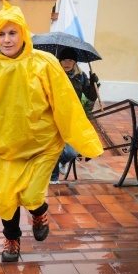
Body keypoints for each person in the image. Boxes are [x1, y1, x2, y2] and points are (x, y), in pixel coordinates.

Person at [0, 1, 103, 262]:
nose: (7, 39)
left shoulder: (45, 63)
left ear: (23, 33)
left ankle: (39, 213)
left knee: (32, 195)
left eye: (12, 32)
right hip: (3, 149)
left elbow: (66, 104)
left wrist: (85, 142)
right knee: (5, 198)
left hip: (42, 146)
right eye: (1, 33)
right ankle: (12, 239)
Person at [49, 48, 100, 184]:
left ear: (75, 62)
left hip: (72, 117)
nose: (67, 62)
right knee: (54, 148)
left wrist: (94, 84)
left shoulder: (80, 76)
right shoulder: (53, 74)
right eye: (64, 59)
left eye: (70, 60)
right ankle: (53, 178)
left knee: (72, 151)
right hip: (54, 116)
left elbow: (90, 96)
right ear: (59, 61)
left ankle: (63, 161)